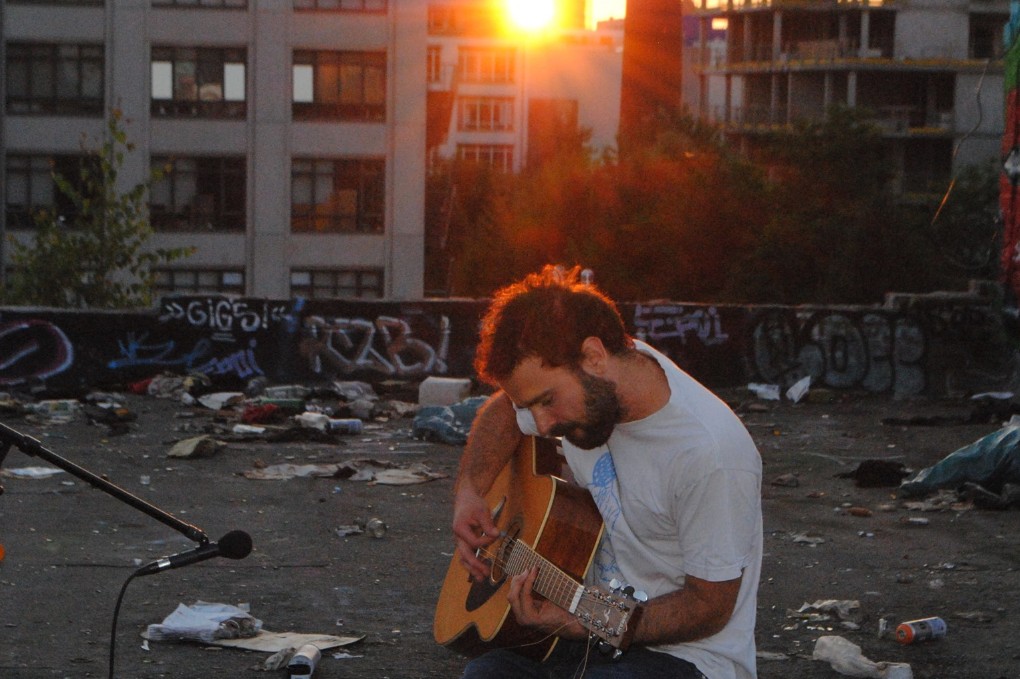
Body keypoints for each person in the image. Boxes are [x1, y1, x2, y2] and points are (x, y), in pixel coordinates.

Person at [451, 265, 763, 679]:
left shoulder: (709, 453)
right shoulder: (591, 389)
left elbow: (710, 607)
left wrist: (594, 619)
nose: (542, 426)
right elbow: (504, 411)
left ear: (594, 357)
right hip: (586, 636)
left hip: (688, 657)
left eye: (546, 401)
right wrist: (471, 491)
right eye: (532, 407)